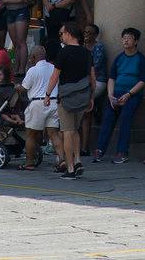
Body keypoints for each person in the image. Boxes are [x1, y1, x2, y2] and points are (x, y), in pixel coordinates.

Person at [94, 27, 145, 164]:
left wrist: (129, 94)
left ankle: (122, 152)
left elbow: (142, 81)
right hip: (116, 92)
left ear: (136, 41)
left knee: (125, 119)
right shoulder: (119, 58)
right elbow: (111, 78)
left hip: (132, 94)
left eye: (129, 38)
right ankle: (100, 149)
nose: (126, 41)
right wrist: (110, 95)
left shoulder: (141, 59)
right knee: (108, 119)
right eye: (124, 38)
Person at [49, 19, 91, 179]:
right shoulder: (87, 53)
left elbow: (55, 76)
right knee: (75, 130)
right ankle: (78, 159)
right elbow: (92, 77)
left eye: (62, 33)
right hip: (83, 95)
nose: (61, 37)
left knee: (67, 131)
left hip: (66, 96)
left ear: (68, 33)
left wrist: (47, 94)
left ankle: (71, 167)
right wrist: (91, 96)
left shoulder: (63, 52)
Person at [19, 44, 58, 170]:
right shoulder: (54, 68)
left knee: (31, 135)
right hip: (53, 102)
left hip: (37, 103)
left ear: (34, 57)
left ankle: (29, 163)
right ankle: (62, 160)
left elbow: (24, 88)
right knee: (54, 134)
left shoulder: (32, 70)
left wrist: (16, 86)